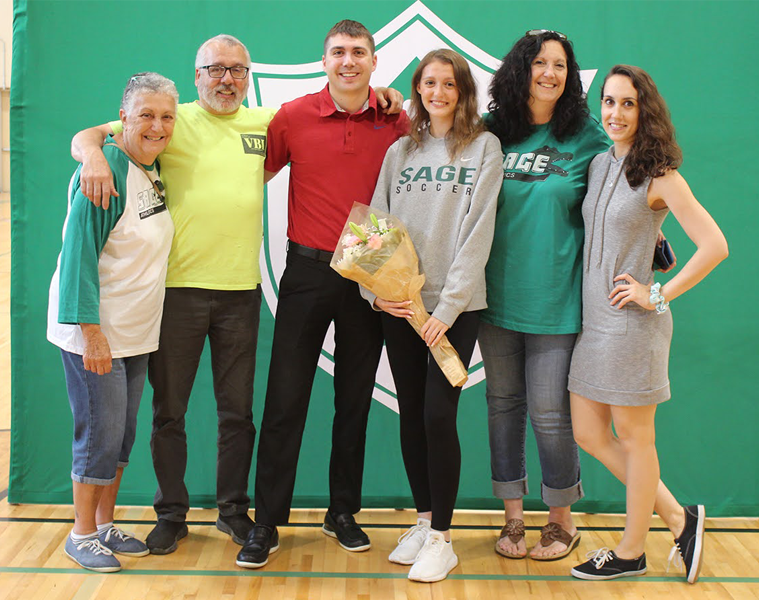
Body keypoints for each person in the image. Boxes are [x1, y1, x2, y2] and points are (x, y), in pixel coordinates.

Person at [71, 35, 277, 554]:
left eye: (237, 70)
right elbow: (89, 134)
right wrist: (92, 155)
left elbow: (330, 110)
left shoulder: (265, 122)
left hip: (240, 292)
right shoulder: (167, 117)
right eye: (215, 69)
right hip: (177, 293)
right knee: (170, 412)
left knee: (237, 413)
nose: (227, 79)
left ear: (248, 76)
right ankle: (171, 513)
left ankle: (232, 510)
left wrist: (383, 92)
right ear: (198, 74)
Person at [235, 20, 409, 569]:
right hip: (307, 271)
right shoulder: (293, 117)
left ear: (374, 62)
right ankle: (265, 522)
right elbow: (246, 176)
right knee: (285, 399)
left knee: (353, 400)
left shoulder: (396, 119)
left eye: (359, 52)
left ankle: (342, 512)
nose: (348, 61)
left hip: (368, 269)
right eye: (339, 52)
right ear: (325, 60)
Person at [568, 65, 728, 582]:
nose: (614, 113)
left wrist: (656, 293)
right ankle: (681, 519)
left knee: (637, 442)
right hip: (594, 323)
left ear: (645, 111)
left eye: (627, 104)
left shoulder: (662, 176)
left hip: (633, 327)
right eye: (609, 102)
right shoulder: (598, 165)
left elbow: (714, 246)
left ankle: (631, 551)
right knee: (589, 434)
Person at [364, 49, 501, 582]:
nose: (438, 92)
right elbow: (377, 226)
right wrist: (377, 296)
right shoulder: (400, 150)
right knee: (413, 411)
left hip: (455, 308)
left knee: (440, 414)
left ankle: (443, 538)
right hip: (401, 305)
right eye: (428, 84)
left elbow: (478, 234)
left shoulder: (485, 147)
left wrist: (445, 309)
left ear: (463, 91)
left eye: (449, 84)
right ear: (418, 90)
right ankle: (423, 522)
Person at [478, 30, 610, 561]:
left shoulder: (586, 135)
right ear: (520, 70)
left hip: (556, 300)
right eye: (539, 63)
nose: (550, 73)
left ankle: (560, 520)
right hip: (493, 298)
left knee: (552, 412)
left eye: (560, 65)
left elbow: (627, 180)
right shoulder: (491, 133)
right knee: (502, 407)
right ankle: (512, 518)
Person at [48, 73, 178, 572]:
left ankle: (104, 524)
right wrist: (91, 333)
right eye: (146, 114)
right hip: (97, 333)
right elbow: (80, 254)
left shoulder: (149, 164)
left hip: (136, 331)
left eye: (166, 116)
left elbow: (92, 134)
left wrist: (93, 144)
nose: (157, 125)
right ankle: (80, 533)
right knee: (99, 434)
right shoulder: (104, 174)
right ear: (122, 117)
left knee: (120, 437)